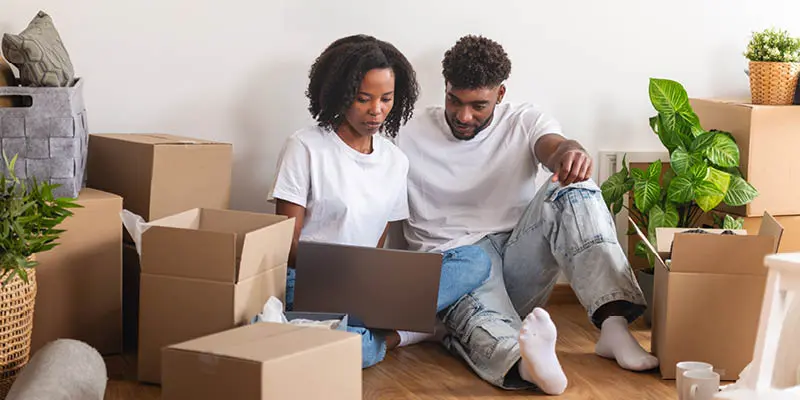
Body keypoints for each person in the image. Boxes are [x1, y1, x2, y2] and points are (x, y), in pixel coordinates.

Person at [395, 35, 656, 395]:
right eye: (454, 101)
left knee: (575, 187)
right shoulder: (406, 129)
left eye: (478, 105)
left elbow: (553, 146)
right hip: (454, 261)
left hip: (517, 256)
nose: (463, 115)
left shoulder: (524, 120)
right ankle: (525, 363)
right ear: (445, 87)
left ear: (500, 96)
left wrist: (571, 152)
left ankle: (613, 326)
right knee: (480, 317)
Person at [268, 34, 491, 369]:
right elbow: (284, 244)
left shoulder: (395, 160)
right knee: (353, 351)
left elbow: (377, 241)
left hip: (364, 286)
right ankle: (396, 335)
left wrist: (372, 284)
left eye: (386, 98)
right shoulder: (305, 147)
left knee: (476, 260)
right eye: (362, 98)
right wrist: (345, 274)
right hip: (308, 283)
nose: (376, 110)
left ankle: (365, 325)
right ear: (340, 95)